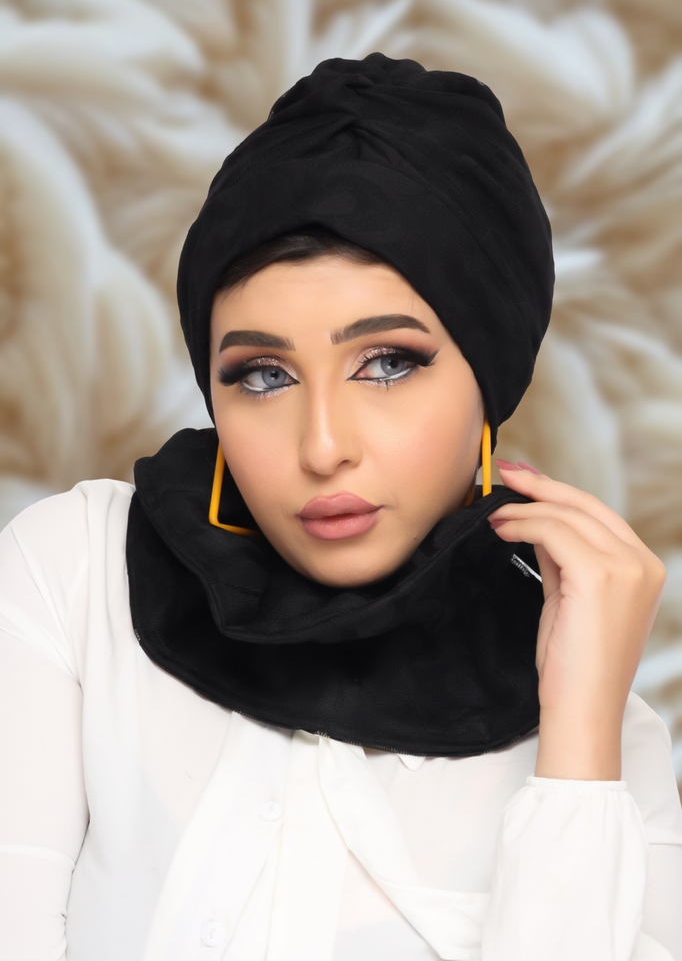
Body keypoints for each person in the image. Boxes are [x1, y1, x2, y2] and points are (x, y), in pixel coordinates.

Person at [0, 53, 681, 961]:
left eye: (388, 363)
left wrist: (580, 758)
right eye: (262, 375)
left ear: (490, 377)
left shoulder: (601, 740)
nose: (323, 448)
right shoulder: (76, 577)